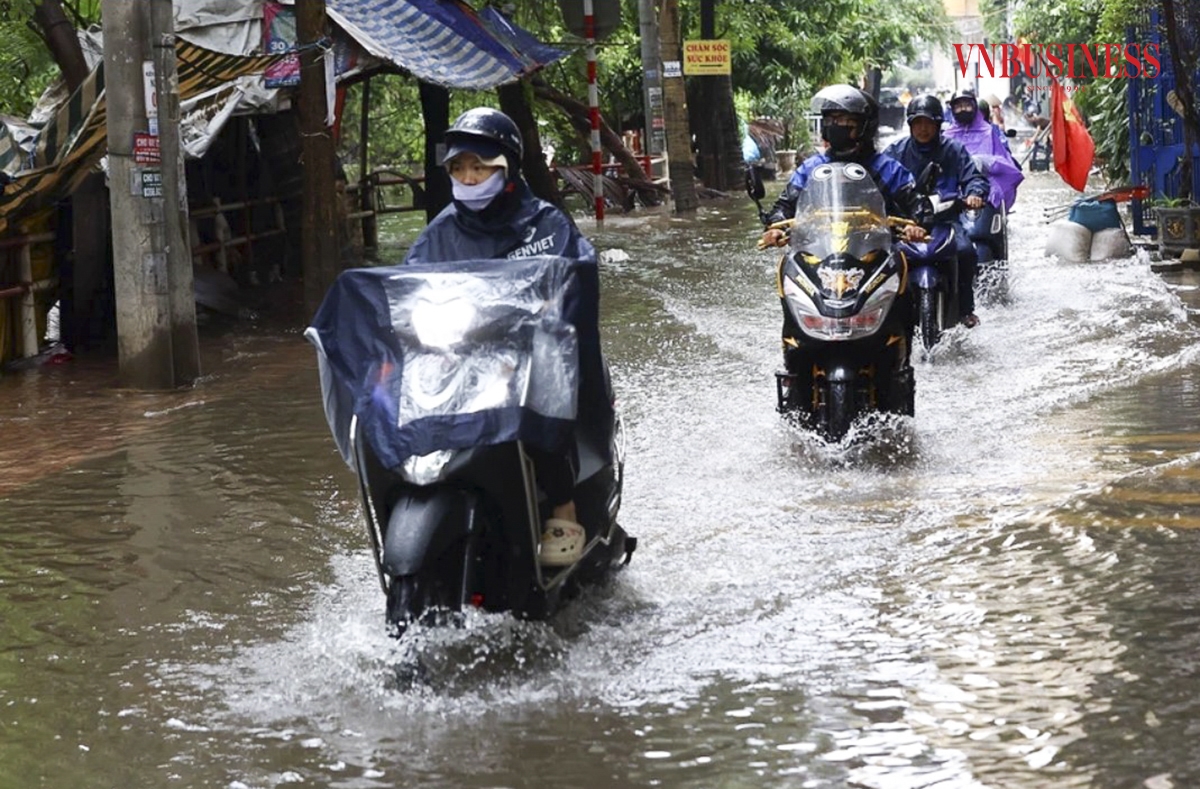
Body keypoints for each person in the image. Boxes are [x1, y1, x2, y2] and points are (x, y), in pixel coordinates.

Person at [404, 107, 606, 566]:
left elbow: (576, 274)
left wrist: (550, 308)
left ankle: (562, 504)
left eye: (480, 167)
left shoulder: (545, 224)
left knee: (544, 389)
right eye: (459, 168)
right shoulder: (439, 234)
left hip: (525, 357)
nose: (469, 178)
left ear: (506, 168)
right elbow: (409, 288)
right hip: (461, 357)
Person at [759, 85, 928, 384]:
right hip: (821, 257)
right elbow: (784, 207)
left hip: (874, 256)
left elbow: (918, 205)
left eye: (846, 122)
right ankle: (795, 370)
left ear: (865, 127)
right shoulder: (812, 168)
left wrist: (916, 224)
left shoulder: (887, 168)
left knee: (906, 283)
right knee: (788, 273)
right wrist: (775, 227)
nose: (837, 127)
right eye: (832, 121)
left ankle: (900, 369)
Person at [884, 93, 989, 328]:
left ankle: (966, 309)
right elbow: (876, 181)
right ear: (910, 125)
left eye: (928, 123)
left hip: (945, 221)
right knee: (884, 258)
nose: (923, 129)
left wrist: (974, 194)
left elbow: (974, 177)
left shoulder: (954, 150)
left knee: (966, 252)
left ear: (938, 125)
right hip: (905, 224)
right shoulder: (895, 152)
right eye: (918, 123)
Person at [944, 89, 1025, 266]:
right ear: (952, 109)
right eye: (958, 106)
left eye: (966, 105)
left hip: (986, 189)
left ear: (974, 106)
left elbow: (1005, 162)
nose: (963, 109)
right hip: (955, 192)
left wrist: (985, 162)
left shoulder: (989, 132)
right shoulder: (946, 136)